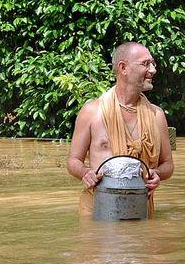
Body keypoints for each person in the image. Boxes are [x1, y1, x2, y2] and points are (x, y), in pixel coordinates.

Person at [66, 42, 174, 216]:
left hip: (140, 208)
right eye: (145, 64)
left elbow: (168, 165)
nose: (153, 70)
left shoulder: (157, 115)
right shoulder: (92, 111)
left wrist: (157, 174)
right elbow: (73, 161)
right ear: (123, 68)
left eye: (152, 63)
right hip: (97, 209)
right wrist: (85, 173)